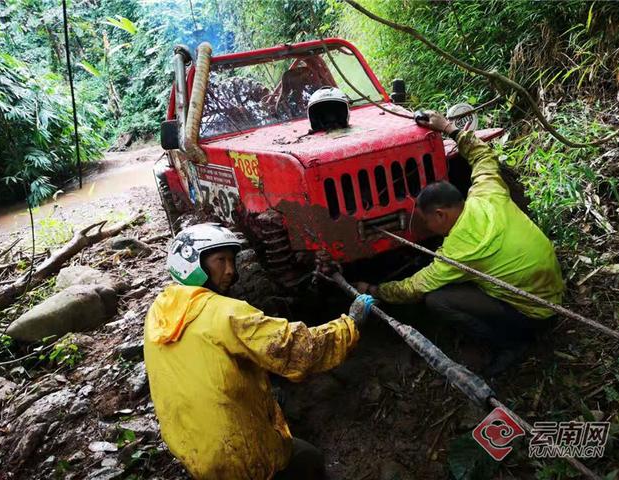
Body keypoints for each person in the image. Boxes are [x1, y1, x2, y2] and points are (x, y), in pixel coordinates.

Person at [144, 223, 374, 479]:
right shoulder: (226, 313)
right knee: (309, 459)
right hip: (238, 456)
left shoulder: (160, 312)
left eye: (232, 261)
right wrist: (350, 324)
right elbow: (297, 350)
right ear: (192, 264)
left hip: (193, 452)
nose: (230, 270)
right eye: (220, 260)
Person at [356, 110, 564, 375]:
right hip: (553, 291)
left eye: (426, 222)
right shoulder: (486, 192)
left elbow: (411, 288)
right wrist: (448, 128)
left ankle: (511, 343)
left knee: (437, 300)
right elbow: (483, 156)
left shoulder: (457, 251)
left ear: (440, 214)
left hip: (536, 315)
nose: (427, 228)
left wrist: (373, 289)